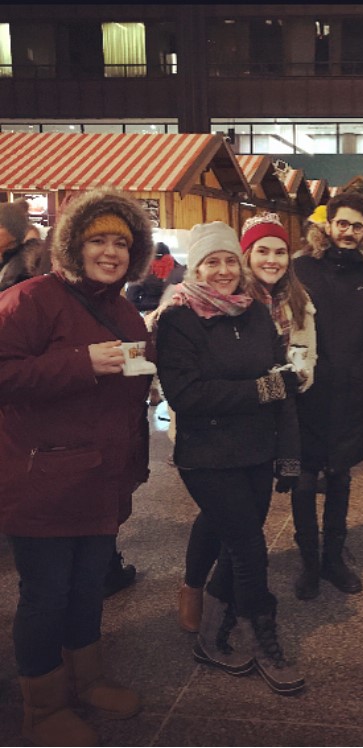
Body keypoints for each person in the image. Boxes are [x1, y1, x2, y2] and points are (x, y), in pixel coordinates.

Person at [0, 188, 155, 745]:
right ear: (73, 244)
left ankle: (85, 679)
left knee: (90, 585)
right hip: (41, 480)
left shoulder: (121, 309)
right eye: (98, 240)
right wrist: (78, 363)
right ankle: (41, 708)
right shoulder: (29, 299)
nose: (111, 251)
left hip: (102, 477)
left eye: (122, 241)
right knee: (46, 595)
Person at [156, 221, 304, 694]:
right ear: (195, 268)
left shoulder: (255, 313)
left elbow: (277, 379)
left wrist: (287, 449)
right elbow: (186, 395)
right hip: (207, 455)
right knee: (248, 546)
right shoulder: (178, 319)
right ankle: (262, 637)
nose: (222, 271)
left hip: (257, 449)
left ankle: (213, 634)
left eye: (228, 262)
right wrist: (261, 390)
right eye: (211, 262)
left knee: (241, 540)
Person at [176, 213, 317, 633]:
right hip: (210, 442)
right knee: (238, 532)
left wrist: (296, 382)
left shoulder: (271, 308)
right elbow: (189, 391)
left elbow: (293, 369)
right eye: (261, 251)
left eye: (280, 251)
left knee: (237, 522)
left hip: (260, 436)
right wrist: (267, 388)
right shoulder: (187, 313)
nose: (271, 260)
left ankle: (221, 591)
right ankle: (222, 601)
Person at [291, 191, 363, 600]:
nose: (348, 232)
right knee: (303, 480)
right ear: (327, 225)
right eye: (341, 223)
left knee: (342, 477)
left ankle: (333, 558)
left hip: (351, 394)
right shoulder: (300, 270)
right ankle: (308, 561)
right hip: (305, 393)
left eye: (356, 225)